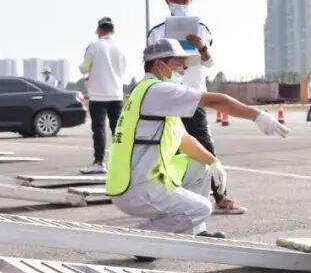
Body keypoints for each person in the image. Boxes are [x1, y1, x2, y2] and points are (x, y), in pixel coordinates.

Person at [106, 39, 289, 237]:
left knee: (200, 166)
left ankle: (196, 233)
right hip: (137, 189)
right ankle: (136, 236)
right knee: (201, 208)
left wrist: (213, 162)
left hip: (139, 181)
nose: (184, 70)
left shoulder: (148, 93)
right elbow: (213, 100)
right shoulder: (157, 90)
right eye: (179, 65)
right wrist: (257, 115)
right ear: (159, 65)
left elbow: (184, 139)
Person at [147, 0, 246, 214]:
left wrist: (202, 48)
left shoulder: (202, 28)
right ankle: (168, 199)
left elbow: (209, 62)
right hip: (168, 97)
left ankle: (221, 197)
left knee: (204, 145)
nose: (180, 3)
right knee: (167, 149)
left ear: (190, 1)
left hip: (193, 96)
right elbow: (151, 64)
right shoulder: (157, 32)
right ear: (167, 0)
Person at [79, 17, 127, 174]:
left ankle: (99, 162)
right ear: (113, 30)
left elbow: (84, 68)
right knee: (117, 130)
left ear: (99, 30)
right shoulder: (120, 47)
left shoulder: (94, 46)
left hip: (98, 95)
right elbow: (123, 70)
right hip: (116, 94)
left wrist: (88, 72)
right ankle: (122, 162)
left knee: (99, 129)